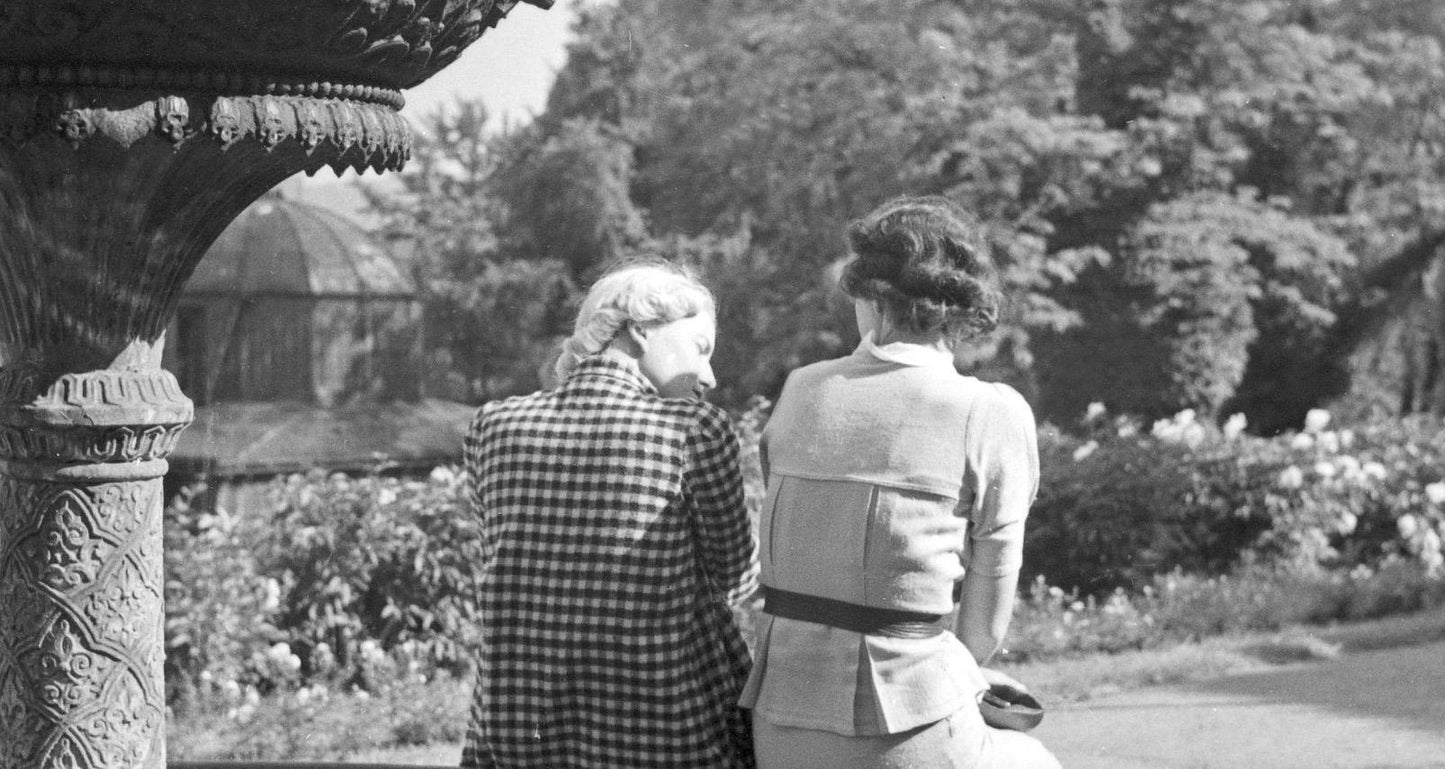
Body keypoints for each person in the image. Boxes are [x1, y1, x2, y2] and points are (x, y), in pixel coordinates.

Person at [738, 196, 1061, 769]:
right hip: (905, 724)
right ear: (963, 306)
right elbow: (984, 627)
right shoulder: (989, 412)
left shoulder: (802, 390)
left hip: (780, 719)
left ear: (871, 296)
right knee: (1033, 756)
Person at [459, 259, 758, 768]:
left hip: (517, 736)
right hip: (665, 734)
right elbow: (735, 575)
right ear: (640, 330)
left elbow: (508, 561)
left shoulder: (494, 426)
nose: (708, 376)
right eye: (700, 349)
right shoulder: (692, 429)